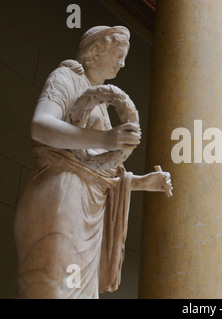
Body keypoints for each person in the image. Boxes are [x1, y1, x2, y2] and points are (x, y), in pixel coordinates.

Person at [13, 26, 172, 299]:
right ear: (95, 50)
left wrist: (142, 182)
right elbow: (40, 126)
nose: (122, 63)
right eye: (118, 54)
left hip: (90, 206)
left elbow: (98, 169)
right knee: (52, 288)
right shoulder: (65, 77)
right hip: (61, 194)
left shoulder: (100, 106)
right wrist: (106, 139)